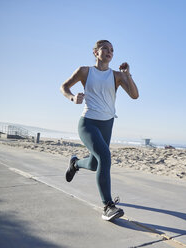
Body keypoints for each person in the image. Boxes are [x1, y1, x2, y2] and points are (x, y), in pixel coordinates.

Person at [60, 40, 139, 221]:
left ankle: (75, 163)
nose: (110, 52)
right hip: (88, 123)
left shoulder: (117, 75)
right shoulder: (84, 71)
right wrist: (72, 98)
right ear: (96, 52)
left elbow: (135, 95)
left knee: (96, 164)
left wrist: (128, 75)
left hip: (107, 124)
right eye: (105, 48)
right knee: (105, 157)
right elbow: (64, 87)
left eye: (112, 50)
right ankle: (108, 206)